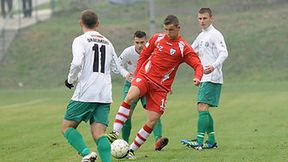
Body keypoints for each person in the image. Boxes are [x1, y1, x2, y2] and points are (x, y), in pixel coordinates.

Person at [107, 15, 203, 159]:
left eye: (171, 30)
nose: (168, 33)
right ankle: (114, 132)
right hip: (145, 77)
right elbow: (144, 56)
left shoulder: (183, 47)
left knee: (152, 120)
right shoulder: (157, 38)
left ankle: (131, 150)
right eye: (166, 29)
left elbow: (197, 64)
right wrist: (137, 76)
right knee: (130, 96)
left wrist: (197, 77)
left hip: (161, 88)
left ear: (178, 28)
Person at [61, 9, 131, 162]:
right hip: (104, 95)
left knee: (67, 127)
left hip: (86, 92)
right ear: (98, 24)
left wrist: (70, 80)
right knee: (99, 134)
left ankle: (86, 153)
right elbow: (117, 67)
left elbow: (77, 63)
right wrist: (127, 75)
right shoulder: (108, 42)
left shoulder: (80, 40)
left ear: (81, 23)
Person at [181, 8, 228, 150]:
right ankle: (211, 140)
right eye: (200, 18)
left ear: (211, 18)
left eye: (205, 18)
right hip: (204, 77)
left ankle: (199, 141)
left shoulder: (215, 34)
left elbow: (224, 53)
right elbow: (188, 50)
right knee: (203, 108)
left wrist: (213, 66)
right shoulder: (201, 36)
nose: (202, 21)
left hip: (212, 77)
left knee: (202, 107)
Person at [118, 30, 168, 151]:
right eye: (137, 42)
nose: (140, 45)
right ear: (133, 41)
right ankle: (124, 144)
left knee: (154, 112)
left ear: (146, 41)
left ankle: (158, 140)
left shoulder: (152, 51)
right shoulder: (128, 52)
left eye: (142, 42)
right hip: (131, 85)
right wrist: (125, 74)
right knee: (127, 115)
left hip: (149, 85)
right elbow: (118, 64)